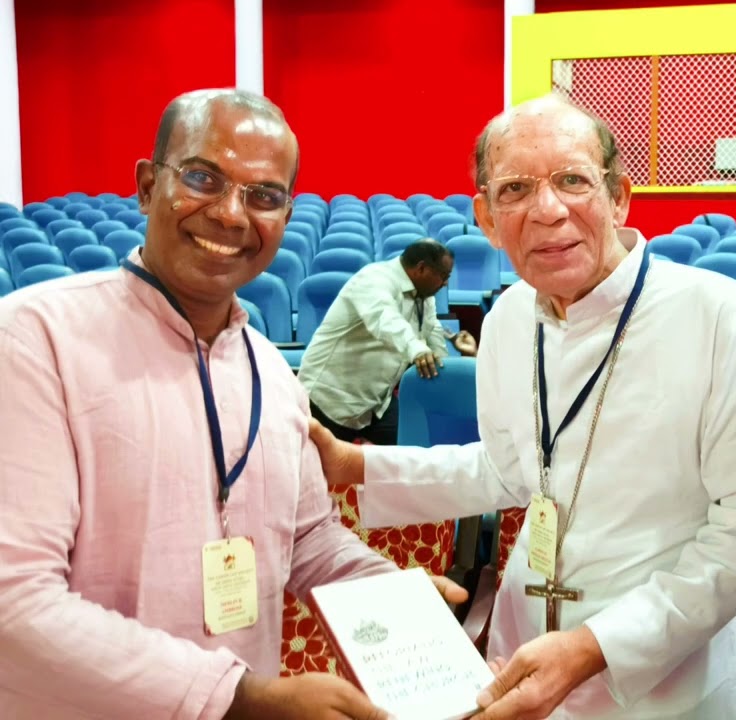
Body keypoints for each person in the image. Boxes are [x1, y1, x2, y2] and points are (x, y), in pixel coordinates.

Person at [307, 94, 736, 719]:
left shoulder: (721, 317)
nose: (548, 210)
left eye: (572, 180)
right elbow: (509, 469)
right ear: (487, 217)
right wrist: (354, 464)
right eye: (515, 189)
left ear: (618, 197)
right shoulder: (509, 317)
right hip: (519, 657)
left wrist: (595, 647)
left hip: (667, 680)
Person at [0, 88, 464, 719]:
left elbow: (307, 540)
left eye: (264, 196)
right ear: (147, 187)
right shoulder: (35, 340)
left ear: (285, 216)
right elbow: (15, 599)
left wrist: (393, 594)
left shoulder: (271, 372)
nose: (229, 214)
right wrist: (237, 697)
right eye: (202, 178)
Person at [299, 239, 478, 445]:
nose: (445, 283)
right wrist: (417, 349)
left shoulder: (425, 295)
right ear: (421, 268)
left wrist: (448, 365)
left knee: (412, 451)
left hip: (376, 403)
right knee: (323, 464)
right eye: (444, 276)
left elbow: (432, 331)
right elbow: (385, 320)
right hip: (329, 400)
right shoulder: (374, 279)